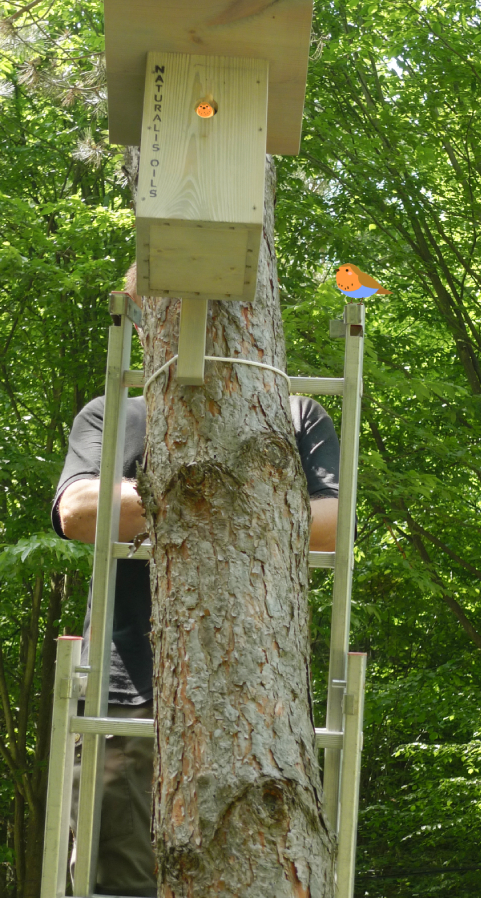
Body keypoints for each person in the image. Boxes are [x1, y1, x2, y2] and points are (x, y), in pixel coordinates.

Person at [52, 267, 340, 897]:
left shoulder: (294, 415)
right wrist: (222, 497)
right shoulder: (114, 412)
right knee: (116, 885)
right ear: (147, 318)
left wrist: (171, 502)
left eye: (214, 300)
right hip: (128, 695)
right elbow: (78, 511)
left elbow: (329, 528)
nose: (193, 316)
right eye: (170, 303)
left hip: (258, 701)